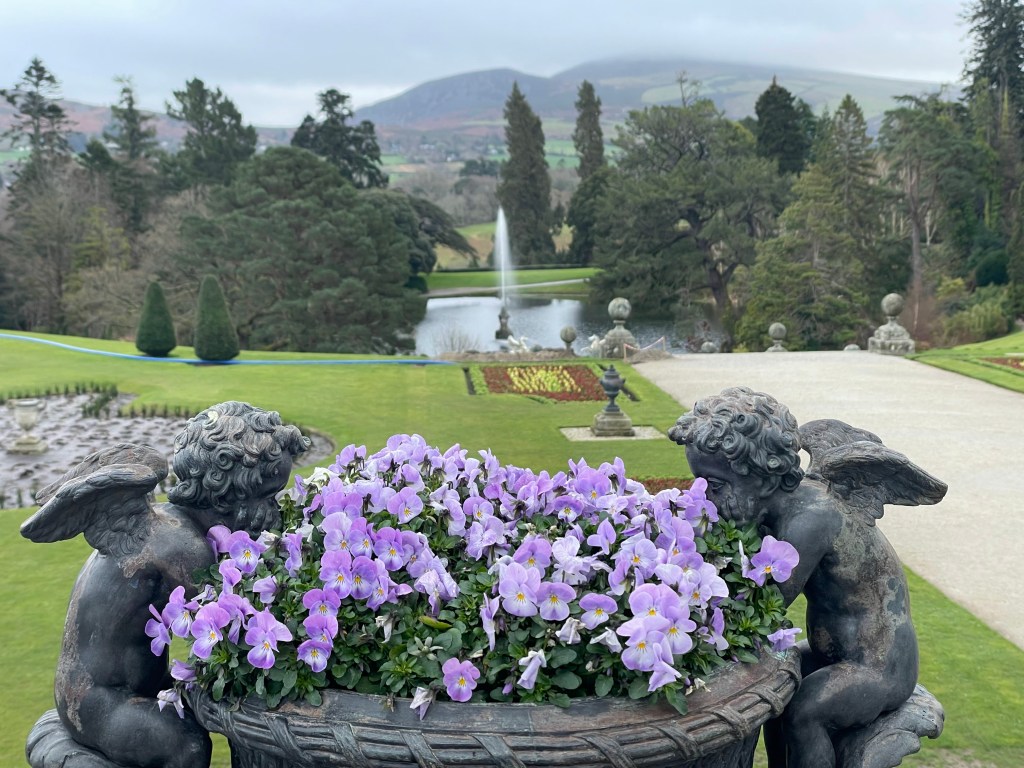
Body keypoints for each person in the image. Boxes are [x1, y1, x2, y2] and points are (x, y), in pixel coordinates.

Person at [669, 387, 946, 768]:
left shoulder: (811, 519)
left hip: (878, 666)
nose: (708, 499)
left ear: (764, 480)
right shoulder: (778, 505)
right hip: (830, 653)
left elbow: (766, 601)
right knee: (773, 691)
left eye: (715, 486)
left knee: (805, 711)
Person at [22, 402, 309, 768]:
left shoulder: (175, 526)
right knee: (186, 748)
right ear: (231, 491)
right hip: (99, 700)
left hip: (137, 689)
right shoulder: (182, 547)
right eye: (268, 496)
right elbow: (236, 617)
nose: (273, 508)